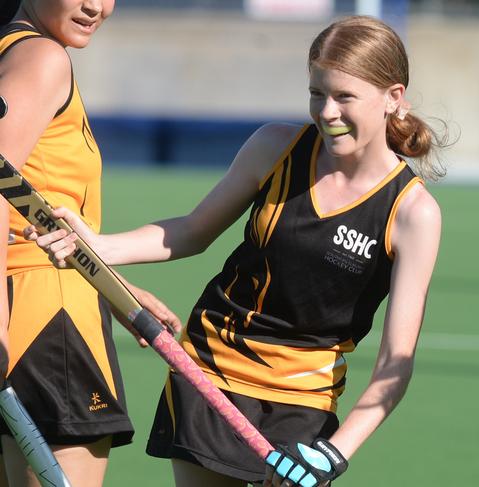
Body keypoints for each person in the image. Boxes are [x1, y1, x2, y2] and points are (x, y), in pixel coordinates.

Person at [28, 15, 447, 486]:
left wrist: (334, 453)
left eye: (344, 97)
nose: (327, 112)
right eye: (317, 93)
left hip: (303, 404)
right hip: (210, 377)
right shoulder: (276, 148)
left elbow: (396, 363)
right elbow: (191, 231)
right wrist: (97, 244)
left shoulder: (412, 214)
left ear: (394, 98)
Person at [0, 1, 180, 486]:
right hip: (46, 324)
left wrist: (114, 288)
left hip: (44, 311)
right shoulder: (41, 58)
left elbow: (32, 207)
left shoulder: (17, 51)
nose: (95, 5)